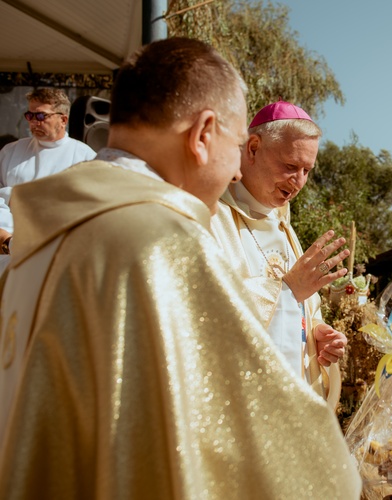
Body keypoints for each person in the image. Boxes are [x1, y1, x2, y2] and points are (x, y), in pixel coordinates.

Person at [0, 37, 361, 499]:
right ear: (202, 134)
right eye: (235, 146)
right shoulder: (160, 244)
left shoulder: (43, 226)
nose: (235, 173)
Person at [211, 100, 349, 406]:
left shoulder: (283, 225)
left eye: (306, 170)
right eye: (290, 166)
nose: (298, 181)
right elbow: (208, 312)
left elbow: (301, 311)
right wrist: (287, 290)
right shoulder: (211, 216)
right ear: (253, 148)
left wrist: (317, 336)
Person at [0, 88, 96, 273]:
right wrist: (7, 236)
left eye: (41, 116)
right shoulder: (10, 152)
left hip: (53, 256)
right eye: (30, 115)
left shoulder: (85, 158)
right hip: (6, 250)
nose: (34, 122)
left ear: (63, 120)